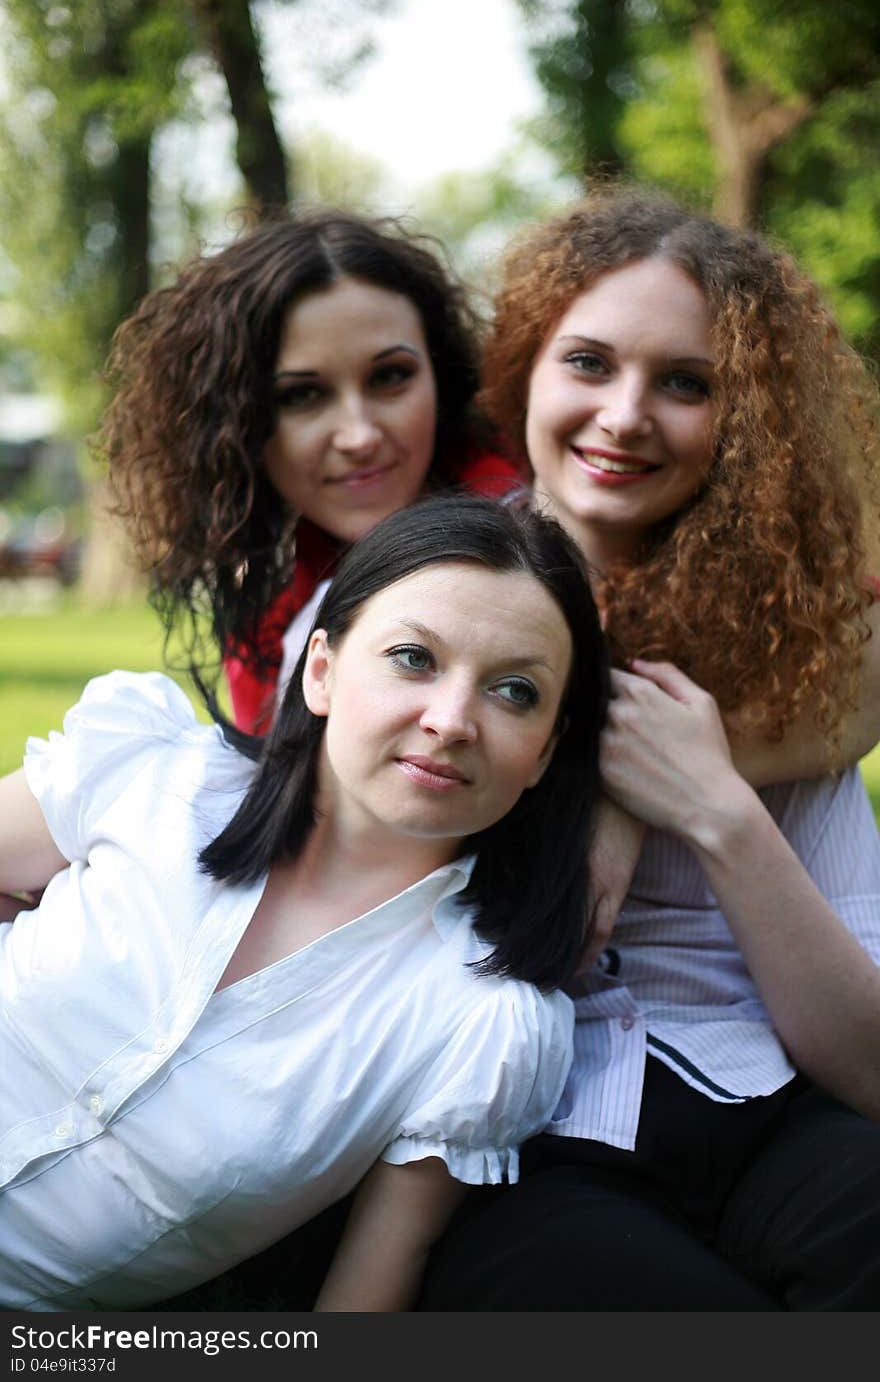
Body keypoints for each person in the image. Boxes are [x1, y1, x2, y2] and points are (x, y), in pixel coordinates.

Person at [418, 184, 880, 1311]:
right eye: (588, 362)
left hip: (769, 1097)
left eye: (685, 383)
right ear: (524, 369)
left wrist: (712, 807)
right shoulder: (417, 608)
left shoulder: (803, 649)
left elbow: (865, 1063)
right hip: (530, 1124)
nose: (625, 416)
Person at [0, 494, 609, 1313]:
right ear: (320, 669)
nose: (452, 719)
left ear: (546, 753)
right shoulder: (153, 775)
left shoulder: (482, 1025)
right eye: (413, 658)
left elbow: (359, 1306)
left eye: (513, 692)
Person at [100, 209, 518, 735]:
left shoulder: (532, 541)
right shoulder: (271, 605)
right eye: (303, 395)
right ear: (240, 425)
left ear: (443, 375)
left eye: (390, 377)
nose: (359, 435)